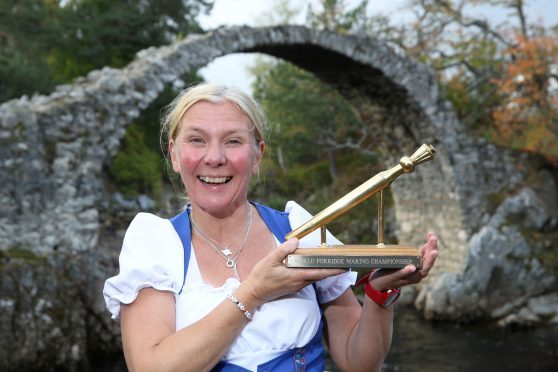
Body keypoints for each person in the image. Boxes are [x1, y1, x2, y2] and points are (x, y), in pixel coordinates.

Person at [103, 83, 439, 372]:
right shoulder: (157, 245)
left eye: (233, 141)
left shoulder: (299, 230)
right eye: (197, 140)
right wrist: (254, 292)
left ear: (257, 154)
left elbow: (358, 363)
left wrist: (380, 295)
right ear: (175, 155)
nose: (215, 157)